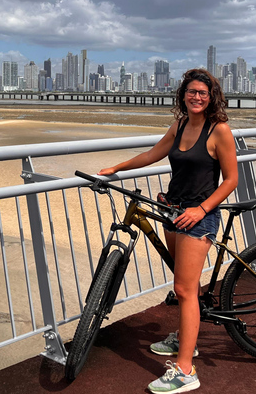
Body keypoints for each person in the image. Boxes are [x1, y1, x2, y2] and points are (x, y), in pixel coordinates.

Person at [98, 68, 238, 393]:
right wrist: (117, 167)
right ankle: (186, 338)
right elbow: (152, 154)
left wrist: (201, 209)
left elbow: (231, 180)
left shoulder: (220, 131)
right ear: (183, 96)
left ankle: (186, 370)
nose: (197, 97)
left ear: (211, 96)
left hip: (198, 216)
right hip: (172, 210)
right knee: (185, 282)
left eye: (203, 93)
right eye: (191, 92)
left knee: (185, 289)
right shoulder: (180, 125)